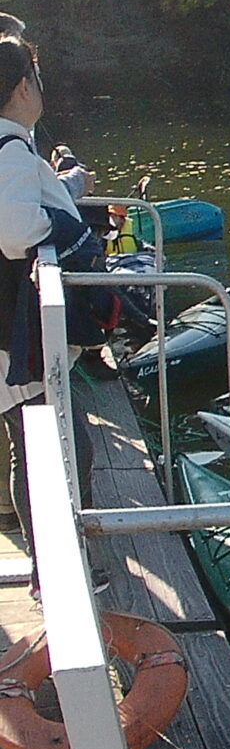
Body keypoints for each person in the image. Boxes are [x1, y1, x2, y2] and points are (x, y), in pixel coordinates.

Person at [0, 37, 84, 531]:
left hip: (11, 330)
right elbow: (15, 233)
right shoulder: (9, 147)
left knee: (32, 448)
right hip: (15, 336)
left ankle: (47, 567)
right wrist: (60, 223)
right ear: (22, 88)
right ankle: (54, 569)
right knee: (59, 453)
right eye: (37, 76)